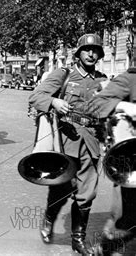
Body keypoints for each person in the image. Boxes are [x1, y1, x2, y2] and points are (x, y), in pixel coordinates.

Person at [29, 33, 108, 255]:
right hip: (66, 140)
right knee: (62, 188)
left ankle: (78, 240)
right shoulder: (64, 74)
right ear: (79, 54)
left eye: (95, 51)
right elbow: (35, 96)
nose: (91, 54)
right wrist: (54, 101)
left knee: (87, 193)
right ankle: (49, 217)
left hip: (91, 140)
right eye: (86, 50)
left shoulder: (103, 80)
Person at [86, 60, 136, 256]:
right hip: (133, 164)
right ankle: (103, 250)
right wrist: (124, 106)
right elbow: (93, 106)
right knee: (124, 220)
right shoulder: (132, 78)